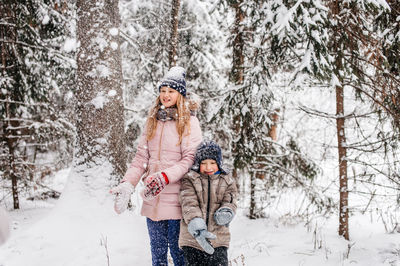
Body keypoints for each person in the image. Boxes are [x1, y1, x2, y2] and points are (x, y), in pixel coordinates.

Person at [110, 66, 202, 266]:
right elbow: (141, 158)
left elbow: (189, 159)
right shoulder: (152, 120)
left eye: (171, 91)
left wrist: (165, 176)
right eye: (163, 91)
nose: (166, 95)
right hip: (153, 199)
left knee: (180, 256)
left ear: (180, 94)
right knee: (157, 256)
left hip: (178, 201)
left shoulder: (189, 122)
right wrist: (128, 183)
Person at [179, 140, 238, 266]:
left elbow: (231, 199)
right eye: (204, 163)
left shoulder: (227, 181)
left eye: (212, 162)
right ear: (197, 164)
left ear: (219, 163)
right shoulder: (190, 179)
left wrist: (227, 210)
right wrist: (195, 221)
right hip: (192, 240)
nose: (208, 167)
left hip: (218, 240)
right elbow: (188, 202)